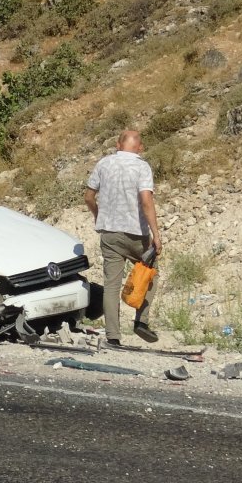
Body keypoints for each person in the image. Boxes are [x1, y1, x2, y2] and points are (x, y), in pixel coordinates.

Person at [84, 130, 162, 347]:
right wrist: (156, 233)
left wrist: (98, 216)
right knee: (150, 275)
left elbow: (89, 196)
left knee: (111, 285)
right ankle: (141, 322)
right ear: (140, 147)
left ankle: (113, 337)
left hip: (110, 233)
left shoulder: (104, 164)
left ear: (118, 145)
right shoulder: (142, 166)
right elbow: (146, 201)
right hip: (137, 234)